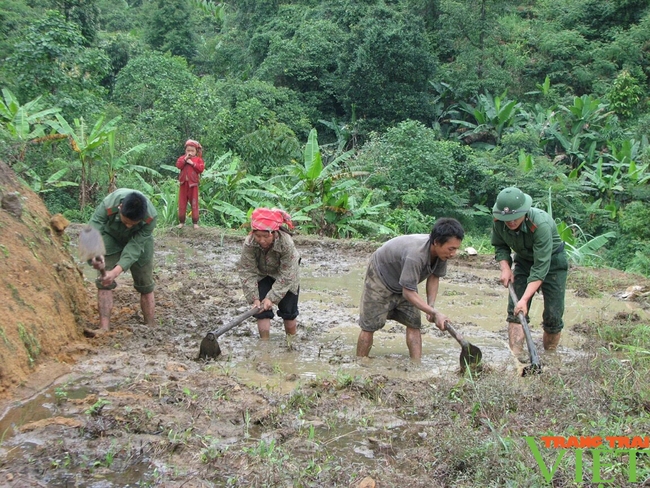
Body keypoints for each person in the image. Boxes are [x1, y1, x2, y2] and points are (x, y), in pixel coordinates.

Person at [356, 217, 465, 361]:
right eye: (451, 249)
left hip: (405, 280)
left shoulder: (442, 254)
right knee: (369, 325)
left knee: (414, 323)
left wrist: (430, 307)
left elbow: (434, 277)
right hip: (381, 276)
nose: (453, 254)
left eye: (456, 249)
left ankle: (416, 364)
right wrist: (434, 312)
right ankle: (360, 363)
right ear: (436, 242)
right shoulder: (416, 255)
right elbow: (408, 292)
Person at [491, 187, 568, 358]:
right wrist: (505, 268)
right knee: (515, 311)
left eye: (514, 218)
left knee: (553, 316)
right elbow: (500, 246)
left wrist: (524, 300)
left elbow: (541, 268)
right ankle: (516, 358)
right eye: (507, 219)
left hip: (552, 263)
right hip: (524, 261)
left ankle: (550, 356)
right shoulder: (498, 221)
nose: (510, 223)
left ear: (524, 212)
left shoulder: (540, 225)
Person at [88, 189, 157, 332]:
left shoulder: (151, 217)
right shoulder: (108, 204)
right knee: (104, 281)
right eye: (126, 222)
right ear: (120, 208)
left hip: (139, 241)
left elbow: (135, 246)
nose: (129, 226)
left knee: (145, 283)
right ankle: (104, 328)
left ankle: (150, 325)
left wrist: (116, 271)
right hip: (111, 235)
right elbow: (93, 229)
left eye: (133, 223)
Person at [239, 208, 300, 340]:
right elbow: (246, 270)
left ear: (274, 233)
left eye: (266, 236)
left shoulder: (286, 243)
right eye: (258, 236)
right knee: (261, 311)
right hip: (262, 274)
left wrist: (271, 298)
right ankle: (264, 344)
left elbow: (287, 274)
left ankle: (292, 341)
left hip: (287, 276)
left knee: (289, 312)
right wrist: (254, 298)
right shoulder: (249, 243)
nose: (261, 240)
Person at [176, 139, 205, 229]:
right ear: (185, 150)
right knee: (182, 203)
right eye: (188, 150)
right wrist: (185, 159)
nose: (190, 152)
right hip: (183, 184)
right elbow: (178, 165)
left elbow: (200, 169)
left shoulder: (198, 160)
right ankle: (181, 222)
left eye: (192, 151)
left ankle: (195, 222)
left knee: (194, 203)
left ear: (196, 151)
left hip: (193, 184)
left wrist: (192, 163)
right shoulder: (182, 158)